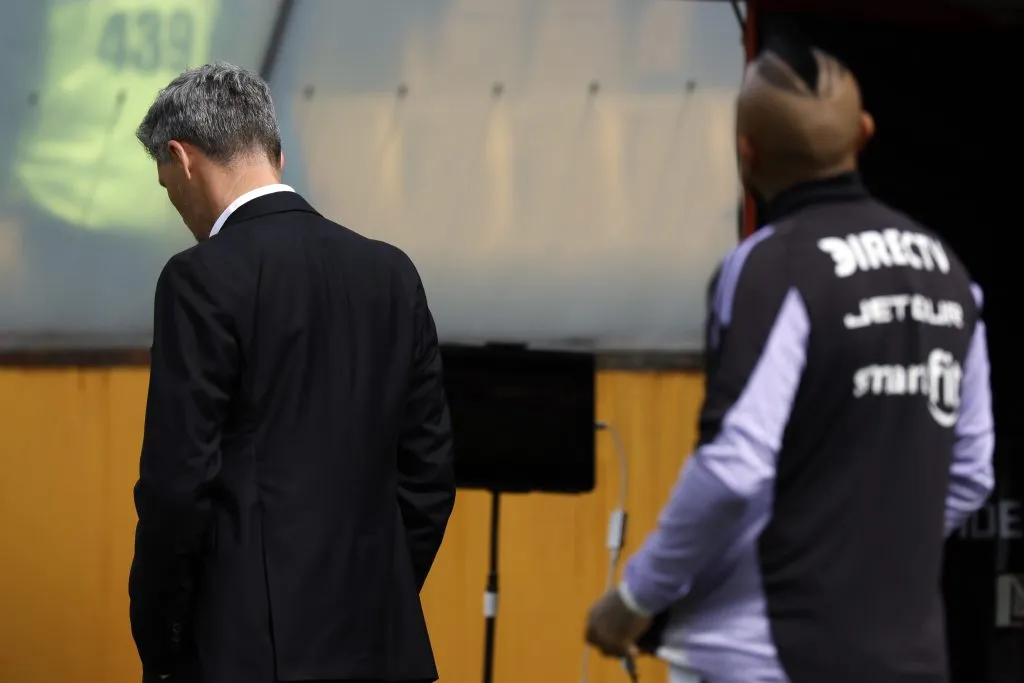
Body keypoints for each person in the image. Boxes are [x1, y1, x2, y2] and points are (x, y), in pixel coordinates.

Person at [584, 41, 995, 683]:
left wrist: (636, 597)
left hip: (764, 654)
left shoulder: (770, 267)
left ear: (744, 151)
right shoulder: (948, 272)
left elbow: (734, 466)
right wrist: (864, 552)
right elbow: (970, 471)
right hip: (906, 657)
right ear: (864, 132)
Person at [128, 62, 456, 683]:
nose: (174, 203)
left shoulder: (199, 279)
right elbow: (429, 478)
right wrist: (373, 596)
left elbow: (178, 486)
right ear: (274, 154)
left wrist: (165, 637)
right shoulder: (391, 274)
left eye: (166, 184)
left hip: (244, 654)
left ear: (182, 157)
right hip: (382, 652)